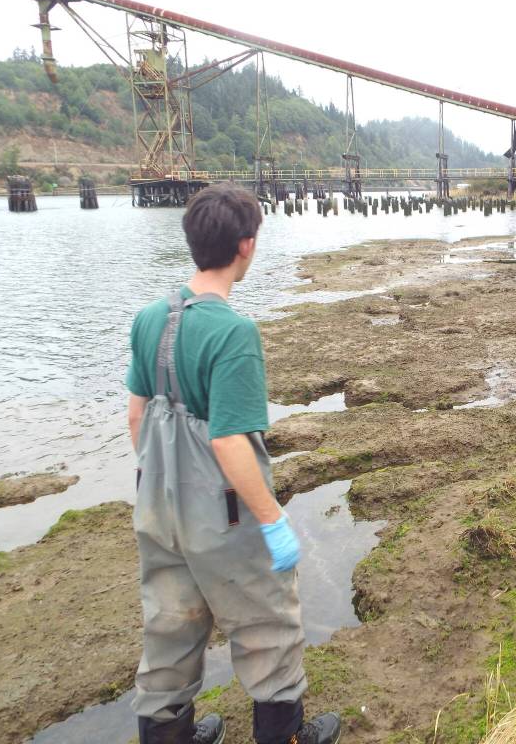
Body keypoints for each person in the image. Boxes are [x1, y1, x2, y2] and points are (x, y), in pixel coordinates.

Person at [125, 182, 341, 744]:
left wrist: (164, 486)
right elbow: (228, 443)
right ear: (246, 245)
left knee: (169, 627)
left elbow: (136, 420)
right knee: (268, 627)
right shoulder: (233, 333)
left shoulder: (149, 318)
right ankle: (285, 737)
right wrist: (272, 520)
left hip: (157, 504)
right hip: (222, 514)